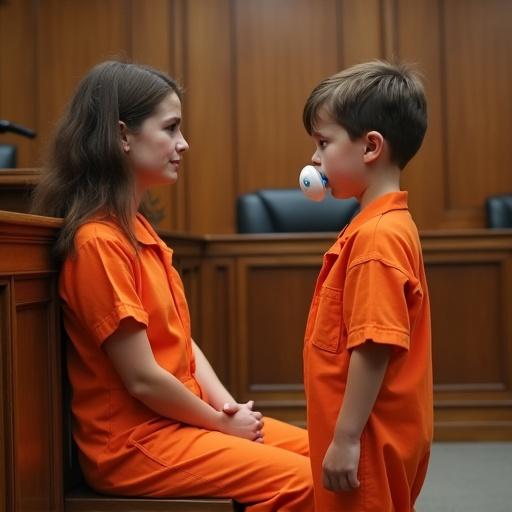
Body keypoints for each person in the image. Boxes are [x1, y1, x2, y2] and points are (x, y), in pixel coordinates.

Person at [32, 60, 313, 511]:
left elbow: (183, 344)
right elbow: (143, 379)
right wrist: (220, 426)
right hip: (133, 445)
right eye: (171, 128)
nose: (183, 144)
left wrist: (230, 411)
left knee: (333, 463)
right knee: (307, 483)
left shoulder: (137, 228)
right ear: (122, 135)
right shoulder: (97, 243)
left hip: (180, 422)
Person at [301, 60, 433, 511]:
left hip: (368, 442)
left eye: (323, 143)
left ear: (370, 146)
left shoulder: (377, 237)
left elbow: (373, 343)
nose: (315, 159)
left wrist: (346, 438)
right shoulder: (380, 225)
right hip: (366, 436)